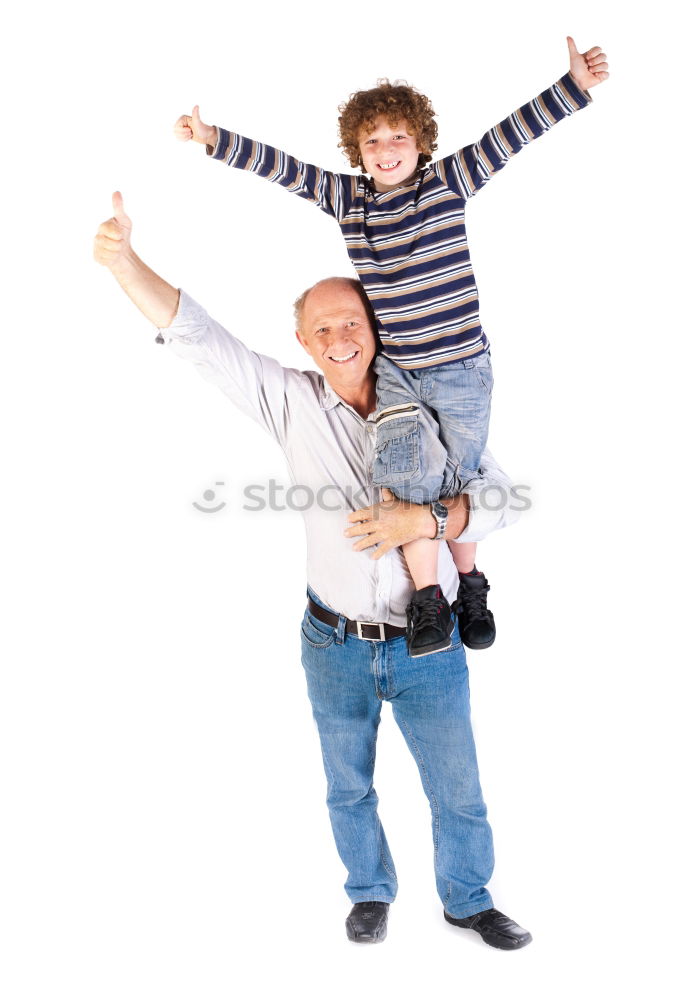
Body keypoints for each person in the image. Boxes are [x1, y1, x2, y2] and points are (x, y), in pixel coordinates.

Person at [94, 194, 532, 947]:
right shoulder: (291, 404)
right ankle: (368, 892)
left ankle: (468, 899)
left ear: (376, 329)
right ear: (303, 339)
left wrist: (420, 522)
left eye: (352, 322)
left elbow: (502, 499)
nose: (339, 337)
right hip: (333, 644)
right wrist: (122, 260)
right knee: (347, 785)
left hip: (431, 647)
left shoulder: (429, 404)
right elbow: (198, 337)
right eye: (323, 327)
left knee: (457, 792)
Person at [173, 36, 609, 657]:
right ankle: (429, 599)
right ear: (357, 152)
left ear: (421, 144)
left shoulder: (449, 183)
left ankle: (473, 586)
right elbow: (283, 168)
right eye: (371, 141)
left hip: (461, 368)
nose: (385, 150)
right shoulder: (348, 201)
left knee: (462, 475)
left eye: (398, 137)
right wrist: (214, 139)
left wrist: (571, 88)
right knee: (404, 472)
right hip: (400, 370)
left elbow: (507, 138)